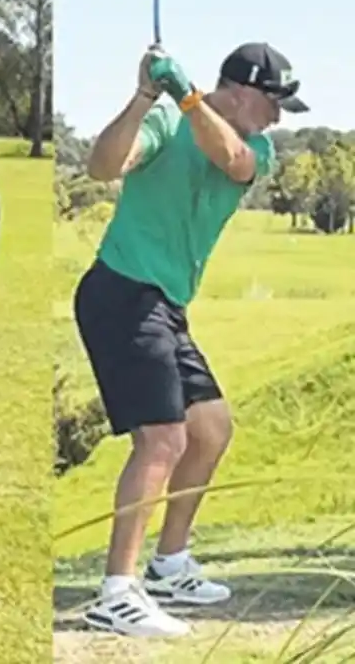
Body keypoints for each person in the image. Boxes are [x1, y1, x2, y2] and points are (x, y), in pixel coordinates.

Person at [74, 42, 305, 637]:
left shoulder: (257, 149)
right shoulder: (163, 121)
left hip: (167, 306)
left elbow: (229, 157)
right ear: (244, 90)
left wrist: (185, 93)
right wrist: (147, 96)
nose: (279, 118)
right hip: (122, 291)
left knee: (212, 429)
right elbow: (102, 168)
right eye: (275, 103)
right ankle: (116, 592)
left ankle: (168, 563)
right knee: (162, 440)